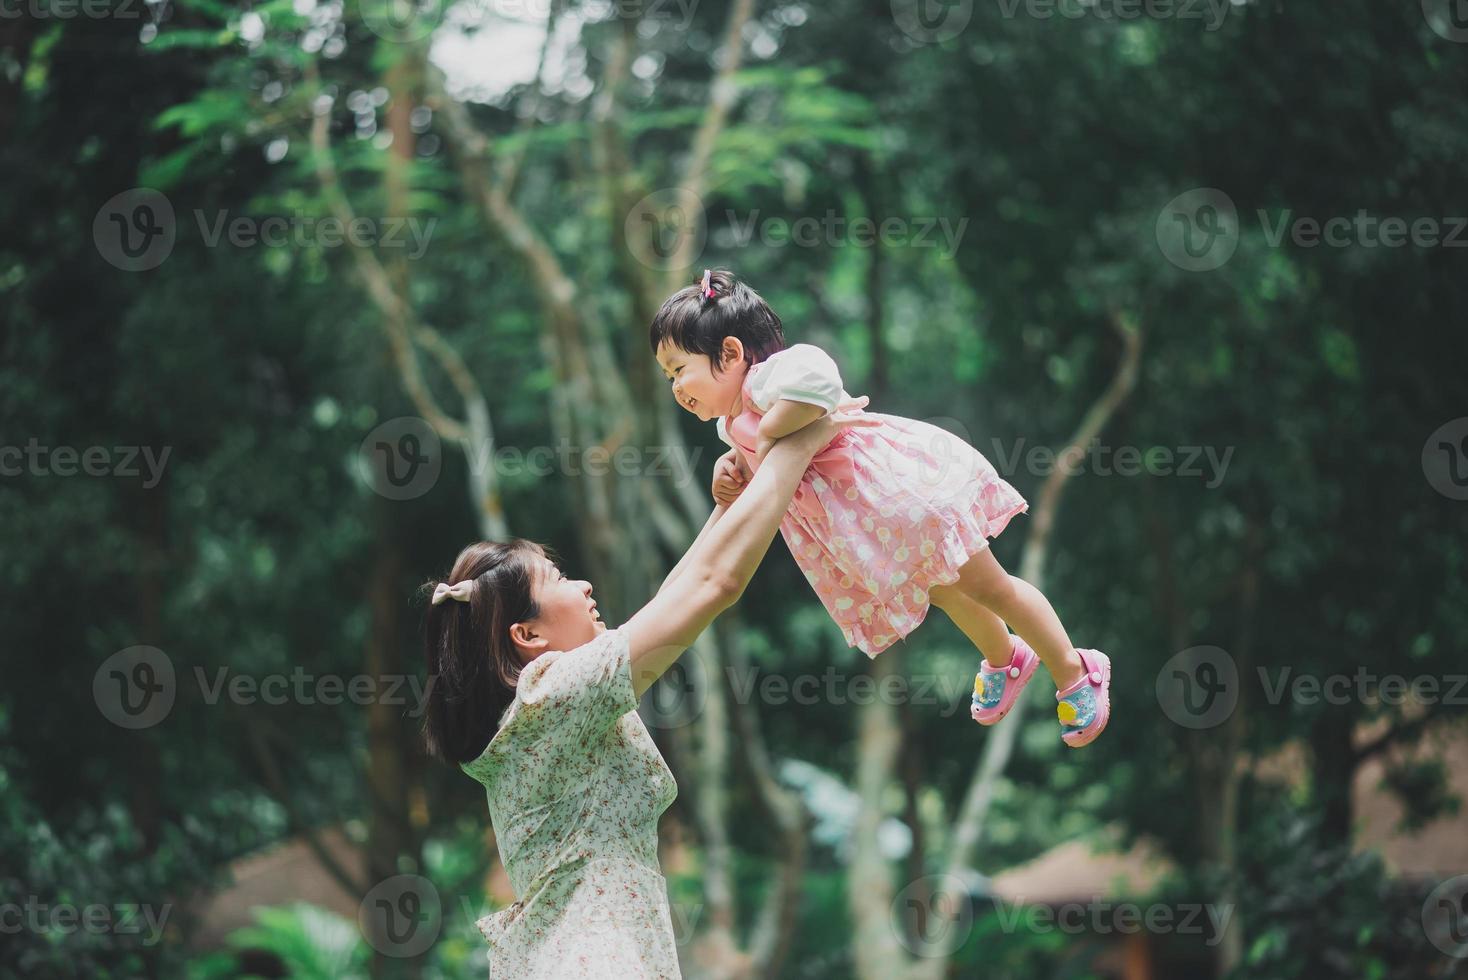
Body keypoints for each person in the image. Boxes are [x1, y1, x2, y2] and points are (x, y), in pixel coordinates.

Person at [420, 407, 876, 978]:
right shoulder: (550, 695)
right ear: (527, 635)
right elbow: (715, 586)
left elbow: (672, 602)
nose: (583, 584)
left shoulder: (547, 710)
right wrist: (802, 442)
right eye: (559, 580)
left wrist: (728, 508)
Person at [649, 268, 1112, 748]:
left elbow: (819, 379)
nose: (676, 387)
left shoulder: (771, 379)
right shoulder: (732, 424)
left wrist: (768, 435)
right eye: (669, 376)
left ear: (730, 353)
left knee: (988, 586)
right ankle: (1005, 656)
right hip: (873, 529)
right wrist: (731, 471)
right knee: (944, 591)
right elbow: (758, 466)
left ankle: (1075, 668)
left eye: (680, 370)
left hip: (899, 496)